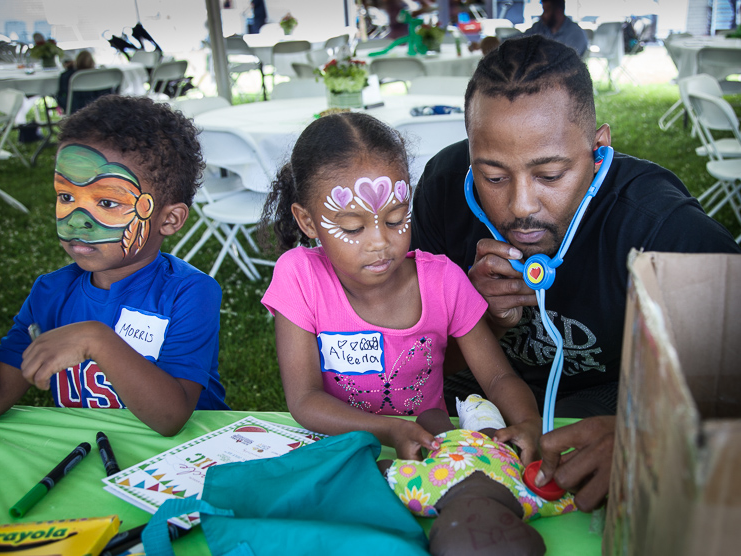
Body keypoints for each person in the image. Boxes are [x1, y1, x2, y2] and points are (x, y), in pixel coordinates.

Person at [410, 34, 741, 505]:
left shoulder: (660, 228)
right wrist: (476, 319)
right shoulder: (444, 189)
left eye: (549, 175)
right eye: (494, 177)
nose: (521, 206)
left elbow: (726, 378)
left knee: (561, 458)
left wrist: (648, 436)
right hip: (488, 378)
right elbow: (416, 357)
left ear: (597, 146)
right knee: (405, 428)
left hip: (607, 390)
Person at [259, 112, 542, 462]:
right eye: (352, 228)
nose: (380, 242)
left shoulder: (443, 282)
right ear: (307, 221)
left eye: (396, 218)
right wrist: (390, 429)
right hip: (338, 455)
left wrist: (529, 423)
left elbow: (498, 377)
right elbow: (304, 399)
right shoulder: (300, 278)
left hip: (430, 456)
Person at [0, 95, 229, 436]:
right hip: (91, 457)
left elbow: (171, 417)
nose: (77, 219)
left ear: (169, 219)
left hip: (184, 460)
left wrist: (95, 339)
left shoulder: (189, 292)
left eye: (106, 202)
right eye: (66, 196)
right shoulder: (50, 293)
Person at [380, 397, 576, 556]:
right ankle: (476, 405)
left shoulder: (530, 503)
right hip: (495, 442)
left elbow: (383, 469)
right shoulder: (421, 495)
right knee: (470, 418)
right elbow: (384, 469)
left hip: (448, 442)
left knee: (430, 417)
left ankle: (474, 406)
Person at [523, 0, 588, 57]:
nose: (542, 16)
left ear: (558, 12)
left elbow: (567, 62)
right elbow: (520, 38)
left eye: (546, 11)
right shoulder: (540, 27)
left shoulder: (575, 34)